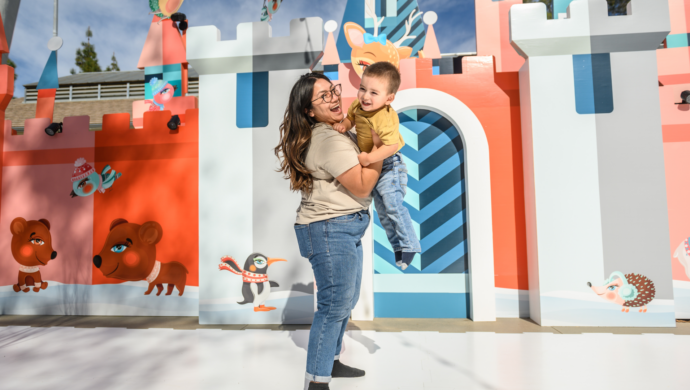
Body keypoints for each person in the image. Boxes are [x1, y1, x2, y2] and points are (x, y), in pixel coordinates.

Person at [275, 73, 383, 390]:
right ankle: (317, 382)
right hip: (329, 228)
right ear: (309, 110)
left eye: (333, 90)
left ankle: (331, 363)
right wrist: (379, 153)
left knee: (343, 302)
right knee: (334, 306)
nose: (334, 97)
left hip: (340, 226)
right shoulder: (329, 140)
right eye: (323, 97)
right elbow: (363, 186)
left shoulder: (332, 133)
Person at [333, 62, 421, 270]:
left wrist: (368, 159)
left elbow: (390, 146)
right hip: (376, 164)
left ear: (389, 98)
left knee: (392, 203)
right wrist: (344, 126)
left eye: (374, 92)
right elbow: (350, 119)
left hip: (390, 165)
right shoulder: (358, 106)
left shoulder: (385, 117)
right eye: (363, 88)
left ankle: (410, 244)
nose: (365, 96)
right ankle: (398, 247)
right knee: (383, 212)